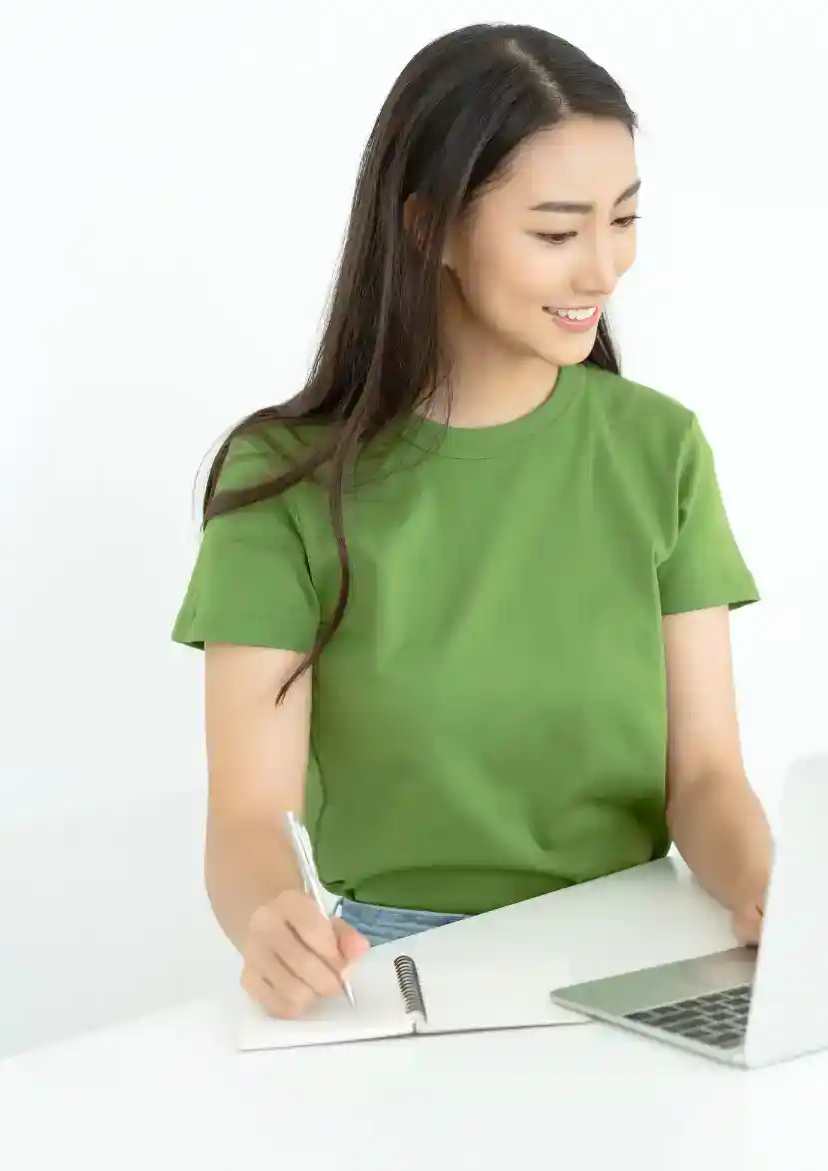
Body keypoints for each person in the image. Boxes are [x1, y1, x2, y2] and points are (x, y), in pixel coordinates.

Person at [171, 23, 774, 1022]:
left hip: (646, 945)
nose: (603, 270)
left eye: (623, 220)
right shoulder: (283, 481)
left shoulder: (658, 449)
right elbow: (244, 817)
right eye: (555, 231)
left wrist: (765, 886)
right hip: (408, 972)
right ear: (429, 228)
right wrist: (273, 916)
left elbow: (706, 776)